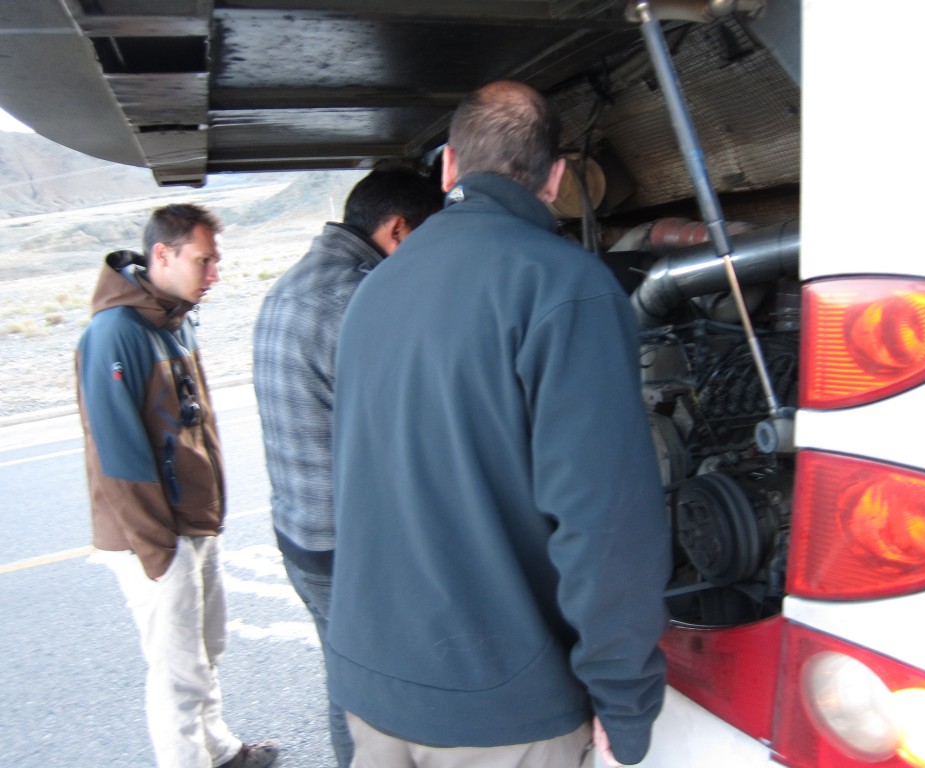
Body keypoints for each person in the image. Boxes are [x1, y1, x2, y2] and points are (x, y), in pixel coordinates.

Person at [326, 80, 671, 767]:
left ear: (449, 167)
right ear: (555, 178)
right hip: (497, 708)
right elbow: (604, 526)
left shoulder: (373, 289)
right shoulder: (563, 285)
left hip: (370, 686)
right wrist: (624, 701)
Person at [251, 168, 443, 767]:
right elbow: (412, 432)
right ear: (397, 230)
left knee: (351, 686)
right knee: (390, 703)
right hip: (349, 549)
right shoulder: (356, 299)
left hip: (300, 536)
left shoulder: (291, 286)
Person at [76, 203, 279, 768]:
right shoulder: (114, 333)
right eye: (204, 260)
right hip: (157, 537)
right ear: (161, 255)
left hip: (194, 521)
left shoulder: (175, 317)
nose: (214, 274)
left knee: (205, 649)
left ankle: (217, 748)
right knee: (176, 671)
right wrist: (158, 551)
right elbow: (118, 454)